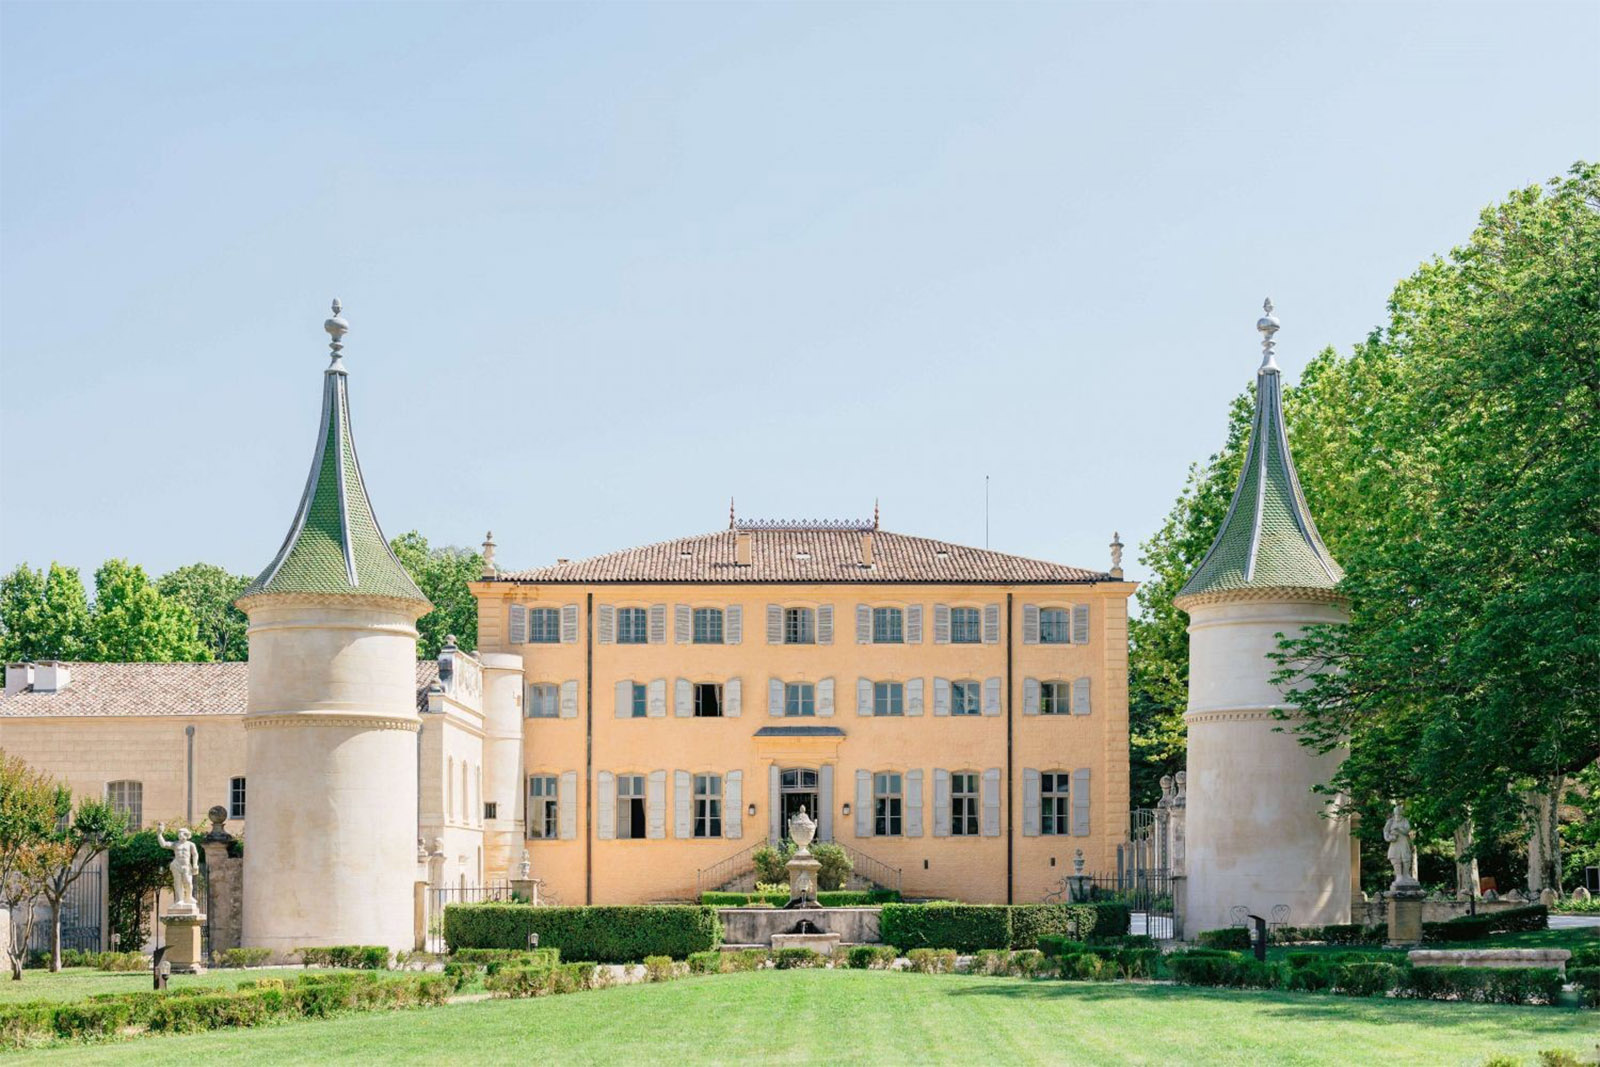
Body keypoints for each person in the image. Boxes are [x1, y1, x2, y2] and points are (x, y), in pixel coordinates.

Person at [157, 823, 201, 911]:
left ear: (186, 835)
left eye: (181, 833)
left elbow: (195, 854)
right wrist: (159, 834)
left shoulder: (191, 844)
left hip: (186, 866)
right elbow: (164, 844)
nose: (179, 835)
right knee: (178, 883)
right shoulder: (175, 844)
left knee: (188, 882)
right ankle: (180, 900)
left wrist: (195, 864)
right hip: (176, 865)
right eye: (179, 833)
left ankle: (189, 897)